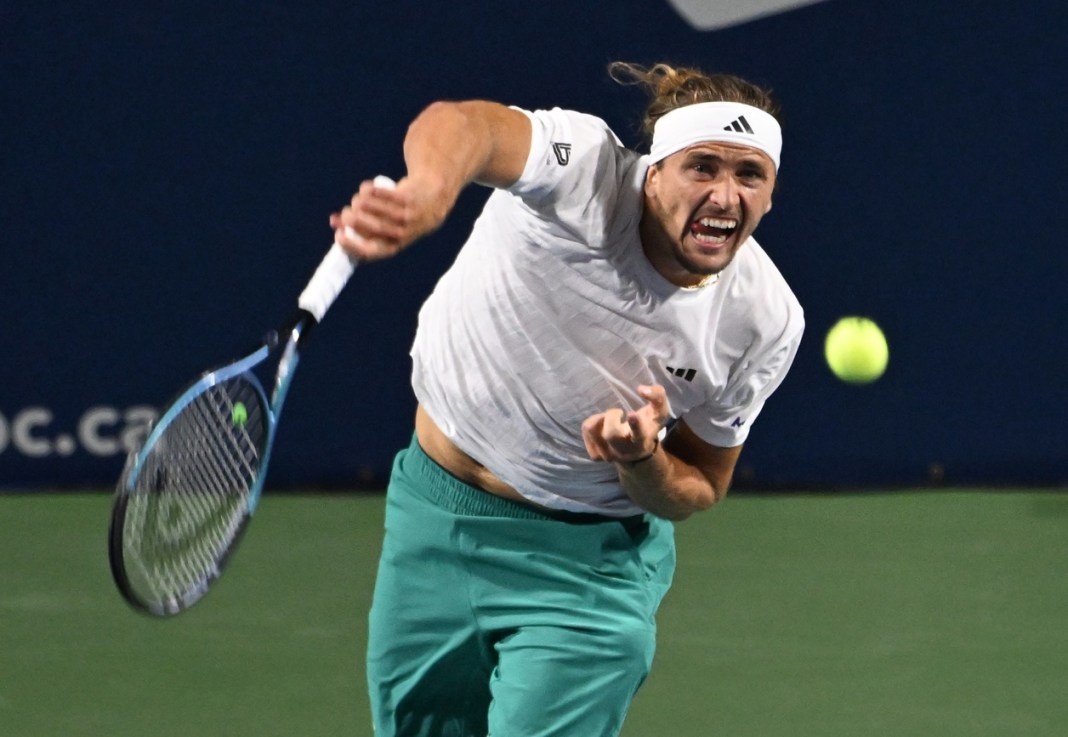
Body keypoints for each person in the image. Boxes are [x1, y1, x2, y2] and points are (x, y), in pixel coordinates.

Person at [330, 61, 804, 737]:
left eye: (749, 175)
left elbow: (700, 483)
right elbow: (464, 123)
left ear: (771, 194)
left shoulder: (763, 319)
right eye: (703, 167)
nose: (726, 196)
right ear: (654, 171)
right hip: (431, 516)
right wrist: (430, 194)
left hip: (589, 569)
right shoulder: (583, 168)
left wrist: (643, 462)